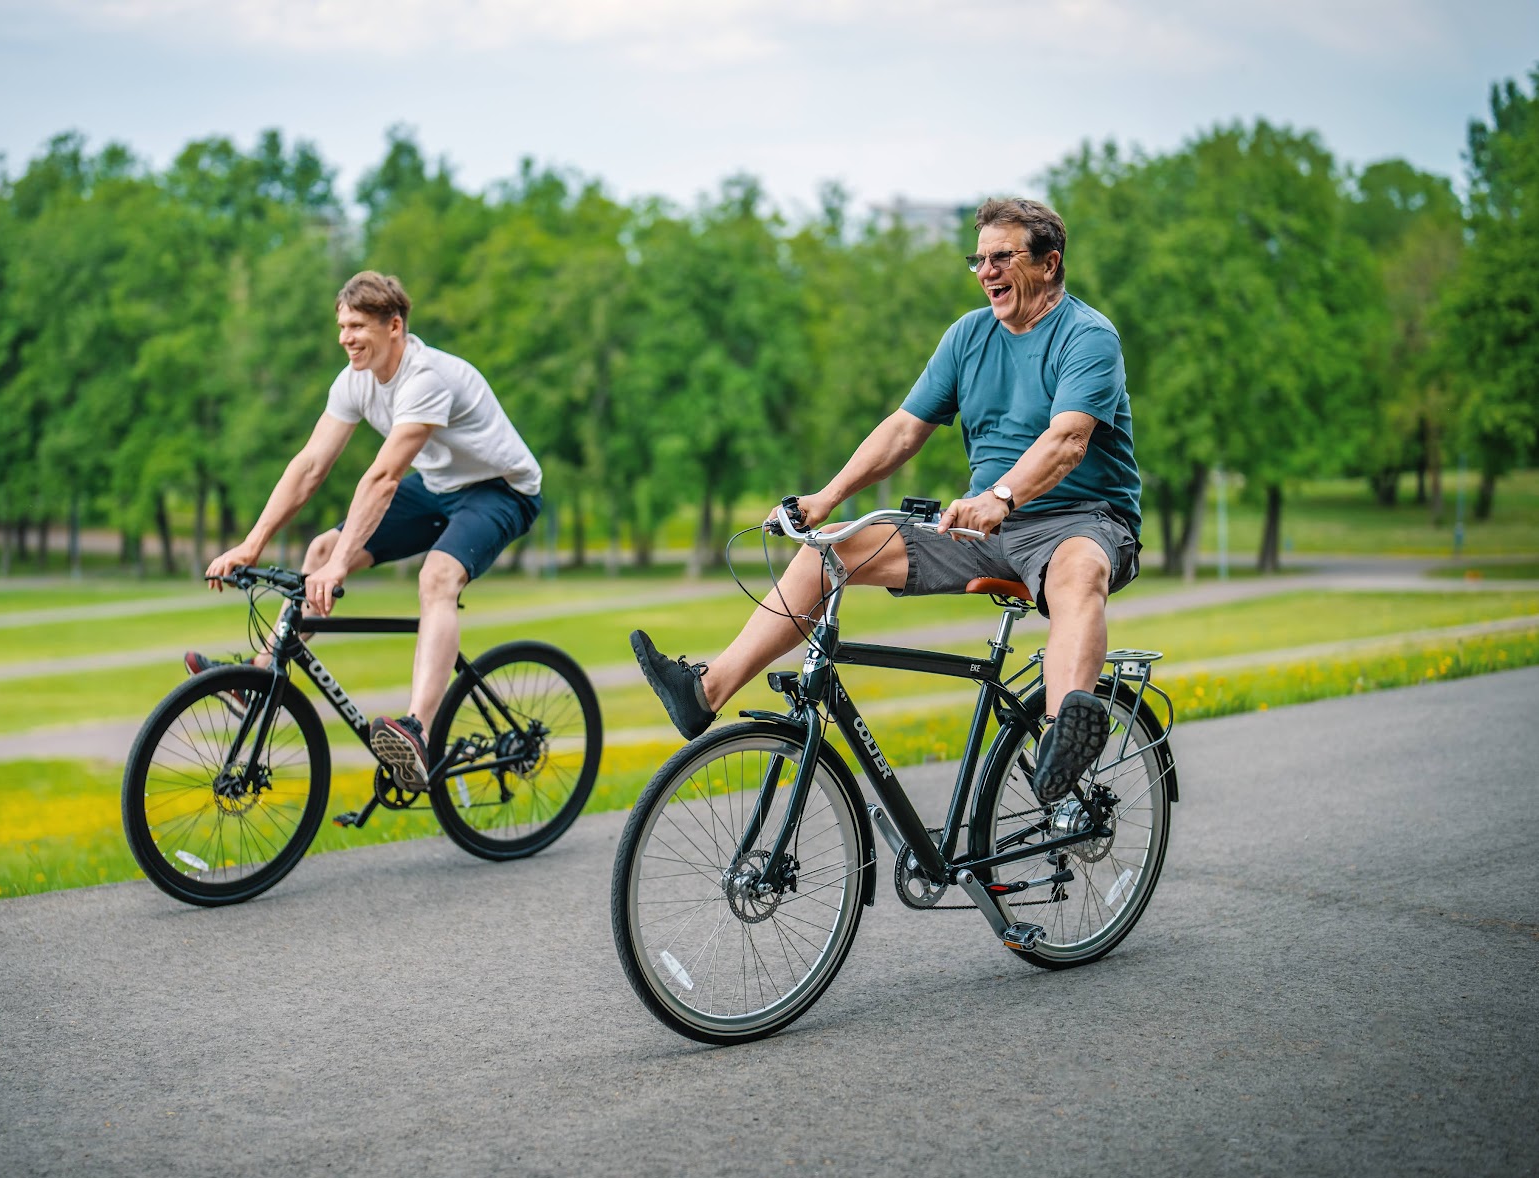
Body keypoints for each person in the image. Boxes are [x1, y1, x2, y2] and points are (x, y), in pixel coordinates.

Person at [631, 197, 1141, 805]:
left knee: (1079, 570)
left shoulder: (1088, 337)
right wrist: (826, 498)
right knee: (830, 553)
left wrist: (1001, 496)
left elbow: (1068, 439)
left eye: (1001, 256)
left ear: (1050, 263)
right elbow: (904, 429)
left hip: (1080, 521)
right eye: (978, 259)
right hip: (982, 527)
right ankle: (706, 691)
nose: (986, 271)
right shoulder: (967, 337)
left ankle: (1064, 746)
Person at [188, 271, 543, 792]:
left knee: (437, 578)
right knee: (323, 546)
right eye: (341, 325)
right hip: (441, 485)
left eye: (357, 325)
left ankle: (417, 732)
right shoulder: (353, 381)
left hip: (502, 489)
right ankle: (260, 679)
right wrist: (253, 542)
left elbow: (382, 478)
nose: (345, 337)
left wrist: (340, 567)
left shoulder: (426, 377)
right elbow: (310, 465)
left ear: (393, 326)